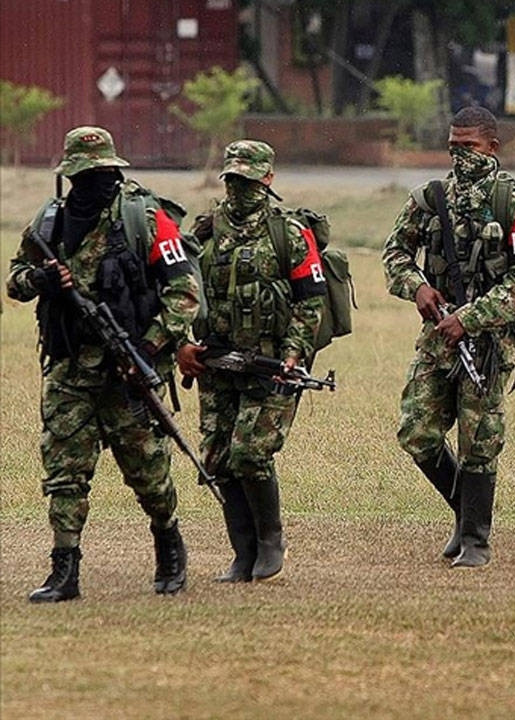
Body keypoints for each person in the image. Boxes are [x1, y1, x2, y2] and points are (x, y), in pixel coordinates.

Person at [6, 126, 200, 601]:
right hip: (69, 368)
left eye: (99, 174)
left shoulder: (145, 217)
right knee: (64, 470)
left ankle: (168, 543)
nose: (90, 183)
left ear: (113, 171)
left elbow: (184, 293)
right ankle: (64, 569)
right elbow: (14, 280)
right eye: (82, 175)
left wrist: (150, 349)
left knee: (148, 470)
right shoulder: (50, 222)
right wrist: (40, 279)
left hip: (128, 370)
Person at [382, 107, 515, 568]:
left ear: (493, 147)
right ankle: (463, 509)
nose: (459, 156)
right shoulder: (429, 198)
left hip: (488, 343)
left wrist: (470, 319)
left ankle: (475, 539)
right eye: (453, 147)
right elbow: (394, 253)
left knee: (479, 439)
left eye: (468, 147)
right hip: (438, 337)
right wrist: (417, 288)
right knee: (417, 431)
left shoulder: (514, 203)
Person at [176, 141, 327, 582]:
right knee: (218, 456)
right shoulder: (206, 231)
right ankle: (241, 552)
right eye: (233, 180)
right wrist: (183, 345)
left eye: (249, 179)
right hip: (217, 362)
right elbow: (177, 291)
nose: (240, 188)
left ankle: (269, 542)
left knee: (251, 452)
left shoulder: (289, 234)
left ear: (268, 180)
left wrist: (293, 354)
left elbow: (309, 303)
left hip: (270, 363)